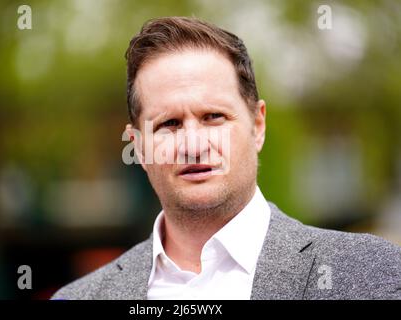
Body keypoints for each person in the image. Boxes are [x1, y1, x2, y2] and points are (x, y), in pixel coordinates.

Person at [52, 16, 401, 300]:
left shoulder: (373, 275)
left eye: (213, 117)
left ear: (258, 125)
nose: (193, 144)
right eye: (169, 124)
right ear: (139, 146)